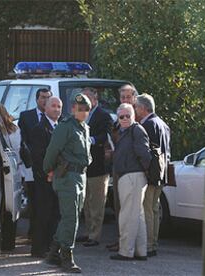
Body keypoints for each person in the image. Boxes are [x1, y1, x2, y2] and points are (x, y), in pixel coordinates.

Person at [43, 94, 92, 273]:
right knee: (71, 217)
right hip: (67, 176)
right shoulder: (66, 127)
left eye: (86, 109)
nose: (83, 112)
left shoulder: (85, 128)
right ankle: (66, 256)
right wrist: (48, 169)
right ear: (73, 109)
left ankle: (53, 252)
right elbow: (52, 150)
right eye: (80, 109)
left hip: (81, 175)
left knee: (72, 216)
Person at [110, 103, 151, 261]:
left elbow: (145, 155)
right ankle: (141, 251)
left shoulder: (136, 130)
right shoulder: (124, 131)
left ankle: (126, 251)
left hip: (133, 176)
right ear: (118, 118)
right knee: (137, 216)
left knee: (127, 216)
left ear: (134, 116)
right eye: (122, 116)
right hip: (129, 176)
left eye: (128, 115)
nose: (125, 118)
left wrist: (143, 171)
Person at [135, 93, 171, 257]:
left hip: (151, 173)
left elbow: (146, 153)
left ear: (142, 108)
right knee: (154, 209)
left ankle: (149, 245)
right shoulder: (162, 123)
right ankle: (153, 243)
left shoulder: (148, 124)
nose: (135, 110)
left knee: (148, 209)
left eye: (136, 107)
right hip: (161, 173)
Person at [28, 96, 62, 257]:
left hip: (59, 179)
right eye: (53, 106)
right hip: (44, 179)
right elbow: (38, 155)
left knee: (55, 214)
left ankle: (50, 246)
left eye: (59, 106)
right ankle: (39, 248)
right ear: (46, 109)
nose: (56, 109)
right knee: (43, 214)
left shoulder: (60, 127)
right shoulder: (39, 129)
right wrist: (48, 173)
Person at [79, 87, 113, 247]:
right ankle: (87, 232)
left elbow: (106, 136)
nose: (84, 101)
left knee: (97, 203)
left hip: (98, 166)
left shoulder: (103, 115)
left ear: (94, 99)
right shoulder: (81, 115)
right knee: (85, 202)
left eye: (86, 98)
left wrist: (90, 140)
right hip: (84, 167)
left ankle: (95, 235)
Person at [107, 83, 139, 252]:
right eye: (122, 97)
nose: (125, 99)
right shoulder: (118, 117)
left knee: (131, 210)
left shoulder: (137, 118)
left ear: (134, 97)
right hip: (118, 167)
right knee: (119, 206)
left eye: (128, 97)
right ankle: (120, 239)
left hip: (132, 170)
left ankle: (129, 245)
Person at [18, 88, 53, 239]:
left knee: (47, 201)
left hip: (50, 167)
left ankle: (46, 233)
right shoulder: (26, 116)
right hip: (32, 166)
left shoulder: (55, 119)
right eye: (43, 97)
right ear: (37, 99)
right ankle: (33, 232)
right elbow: (22, 140)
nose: (45, 100)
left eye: (48, 98)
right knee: (34, 199)